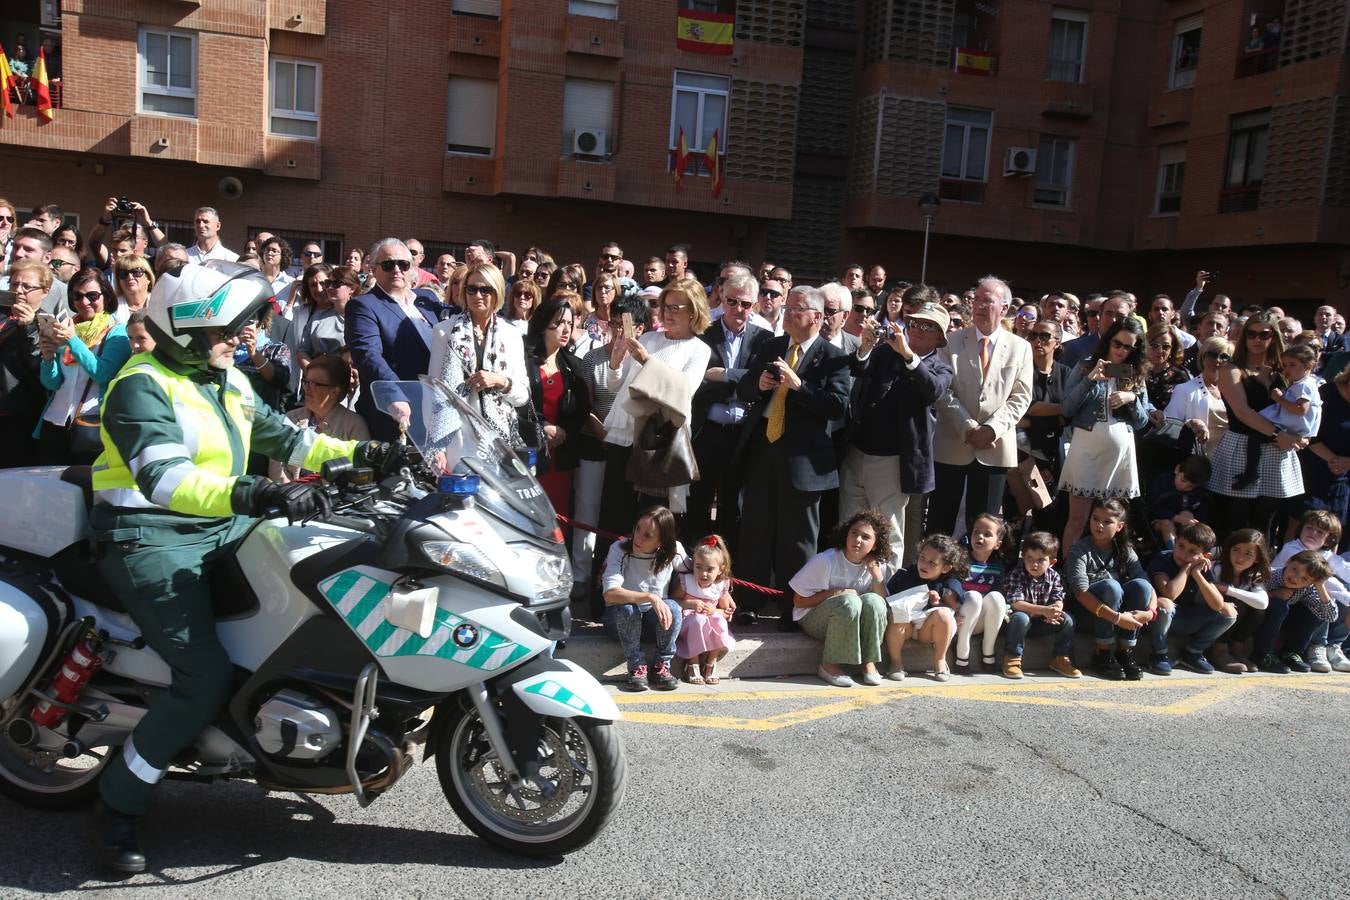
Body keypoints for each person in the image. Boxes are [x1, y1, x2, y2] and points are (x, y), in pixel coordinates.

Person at [88, 260, 414, 874]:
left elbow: (291, 440)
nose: (239, 339)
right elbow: (165, 478)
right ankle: (117, 805)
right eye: (227, 330)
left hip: (221, 524)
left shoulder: (225, 379)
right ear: (187, 331)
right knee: (202, 675)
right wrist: (255, 495)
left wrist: (369, 453)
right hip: (151, 538)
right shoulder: (140, 384)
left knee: (313, 584)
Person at [734, 285, 851, 616]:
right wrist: (758, 386)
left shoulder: (833, 357)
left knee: (798, 540)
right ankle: (749, 602)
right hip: (763, 451)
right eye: (787, 306)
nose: (787, 312)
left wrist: (799, 386)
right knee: (755, 530)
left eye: (796, 308)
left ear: (816, 316)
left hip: (804, 463)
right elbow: (743, 388)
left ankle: (792, 608)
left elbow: (837, 406)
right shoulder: (771, 346)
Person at [592, 277, 711, 585]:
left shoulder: (698, 349)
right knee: (612, 516)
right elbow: (620, 386)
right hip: (622, 433)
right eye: (664, 306)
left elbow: (684, 390)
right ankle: (603, 594)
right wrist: (617, 362)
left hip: (656, 441)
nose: (668, 313)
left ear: (694, 310)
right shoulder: (650, 339)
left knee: (648, 522)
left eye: (676, 307)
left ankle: (644, 592)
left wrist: (646, 361)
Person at [841, 296, 952, 567]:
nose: (916, 329)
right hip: (857, 450)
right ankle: (845, 585)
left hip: (892, 461)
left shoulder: (941, 366)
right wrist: (866, 346)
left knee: (887, 530)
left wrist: (909, 356)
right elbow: (859, 368)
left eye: (927, 327)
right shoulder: (885, 351)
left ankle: (883, 595)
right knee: (850, 526)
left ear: (939, 337)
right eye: (914, 322)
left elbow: (932, 390)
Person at [931, 276, 1033, 537]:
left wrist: (991, 429)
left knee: (983, 525)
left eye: (986, 301)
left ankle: (974, 577)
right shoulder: (950, 342)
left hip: (995, 446)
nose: (977, 306)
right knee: (940, 518)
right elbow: (943, 391)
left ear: (1005, 309)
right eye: (975, 300)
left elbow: (1021, 396)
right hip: (952, 442)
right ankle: (933, 575)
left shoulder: (1020, 348)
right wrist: (968, 428)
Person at [686, 271, 772, 550]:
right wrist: (743, 380)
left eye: (745, 304)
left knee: (732, 504)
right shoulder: (703, 334)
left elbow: (762, 383)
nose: (738, 309)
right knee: (697, 501)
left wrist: (723, 375)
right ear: (722, 299)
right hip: (707, 430)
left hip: (744, 434)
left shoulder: (765, 339)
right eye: (732, 302)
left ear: (754, 305)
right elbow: (696, 382)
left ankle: (726, 569)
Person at [1208, 313, 1307, 542]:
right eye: (1252, 333)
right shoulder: (1230, 369)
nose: (1257, 339)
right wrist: (1278, 434)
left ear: (1274, 336)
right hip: (1242, 446)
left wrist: (1304, 436)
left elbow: (1304, 403)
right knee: (1235, 521)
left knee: (1266, 524)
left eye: (1264, 334)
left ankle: (1261, 575)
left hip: (1276, 450)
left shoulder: (1285, 369)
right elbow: (1242, 412)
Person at [1057, 318, 1151, 553]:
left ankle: (1110, 570)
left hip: (1119, 457)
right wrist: (1090, 380)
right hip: (1086, 449)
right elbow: (1067, 408)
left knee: (1113, 523)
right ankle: (1070, 576)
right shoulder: (1086, 365)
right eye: (1118, 343)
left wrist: (1133, 400)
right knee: (1077, 519)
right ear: (1109, 340)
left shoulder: (1135, 372)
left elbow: (1142, 422)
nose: (1121, 350)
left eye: (1128, 347)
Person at [347, 238, 444, 441]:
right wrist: (394, 394)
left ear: (412, 267)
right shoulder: (363, 306)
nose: (397, 269)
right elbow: (368, 355)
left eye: (403, 264)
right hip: (395, 412)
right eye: (388, 264)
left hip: (437, 410)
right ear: (373, 269)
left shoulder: (428, 299)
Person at [36, 268, 132, 465]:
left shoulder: (117, 331)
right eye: (77, 296)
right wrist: (47, 358)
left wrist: (73, 340)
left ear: (106, 296)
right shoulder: (66, 327)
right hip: (55, 421)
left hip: (91, 425)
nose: (84, 302)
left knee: (84, 489)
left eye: (92, 295)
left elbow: (102, 373)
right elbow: (52, 384)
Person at [428, 262, 530, 447]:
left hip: (500, 441)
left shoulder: (512, 335)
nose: (477, 295)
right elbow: (434, 392)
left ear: (497, 292)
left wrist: (500, 381)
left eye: (485, 290)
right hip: (456, 438)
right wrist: (437, 447)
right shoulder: (443, 332)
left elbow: (523, 396)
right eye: (471, 289)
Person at [788, 509, 891, 687]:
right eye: (854, 533)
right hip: (813, 618)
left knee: (875, 601)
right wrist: (836, 592)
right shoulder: (826, 561)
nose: (858, 540)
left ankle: (868, 663)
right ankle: (829, 666)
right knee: (849, 601)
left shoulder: (878, 566)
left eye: (865, 537)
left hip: (852, 620)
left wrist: (876, 576)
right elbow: (799, 601)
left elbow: (882, 605)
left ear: (875, 545)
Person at [1065, 498, 1158, 680]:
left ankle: (1125, 651)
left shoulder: (1125, 550)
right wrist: (1117, 618)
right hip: (1087, 612)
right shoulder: (1079, 549)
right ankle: (1103, 652)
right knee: (1112, 586)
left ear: (1120, 526)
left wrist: (1150, 613)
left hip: (1117, 616)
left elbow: (1147, 584)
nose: (1099, 525)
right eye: (1095, 518)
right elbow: (1081, 592)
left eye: (1107, 522)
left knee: (1141, 586)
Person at [602, 506, 686, 692]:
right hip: (620, 620)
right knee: (628, 607)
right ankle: (636, 666)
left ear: (661, 541)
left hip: (654, 622)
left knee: (672, 606)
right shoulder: (619, 548)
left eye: (647, 535)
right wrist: (650, 597)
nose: (638, 538)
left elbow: (696, 572)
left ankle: (661, 666)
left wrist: (723, 591)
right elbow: (610, 593)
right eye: (637, 529)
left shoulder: (674, 549)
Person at [524, 294, 590, 515]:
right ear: (543, 325)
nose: (565, 329)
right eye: (559, 323)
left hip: (559, 455)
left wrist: (564, 431)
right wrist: (541, 427)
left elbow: (583, 410)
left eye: (569, 324)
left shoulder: (574, 365)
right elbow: (515, 404)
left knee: (557, 514)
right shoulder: (523, 360)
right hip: (528, 451)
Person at [1145, 522, 1237, 675]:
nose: (1183, 554)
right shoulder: (1163, 558)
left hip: (1186, 618)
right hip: (1159, 620)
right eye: (1181, 546)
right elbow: (1169, 593)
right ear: (1175, 542)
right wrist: (1187, 568)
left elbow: (1217, 605)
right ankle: (1158, 654)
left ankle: (1192, 653)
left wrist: (1198, 575)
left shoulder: (1202, 568)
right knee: (1165, 603)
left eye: (1192, 551)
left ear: (1205, 556)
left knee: (1228, 611)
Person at [269, 354, 370, 482]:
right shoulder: (291, 418)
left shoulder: (354, 425)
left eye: (315, 384)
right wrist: (293, 495)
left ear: (335, 392)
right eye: (306, 382)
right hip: (290, 497)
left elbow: (358, 475)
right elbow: (277, 467)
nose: (306, 388)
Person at [1236, 343, 1321, 490]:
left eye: (1292, 365)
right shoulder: (1301, 383)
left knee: (1255, 440)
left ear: (1308, 366)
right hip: (1292, 428)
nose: (1287, 369)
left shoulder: (1304, 385)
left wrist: (1280, 399)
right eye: (1285, 365)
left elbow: (1301, 410)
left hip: (1290, 428)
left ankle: (1251, 473)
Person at [883, 533, 964, 682]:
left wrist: (936, 602)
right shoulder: (906, 574)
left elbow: (953, 608)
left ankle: (940, 661)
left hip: (928, 630)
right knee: (896, 614)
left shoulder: (949, 582)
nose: (924, 565)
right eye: (922, 558)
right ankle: (895, 663)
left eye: (932, 563)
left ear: (945, 568)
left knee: (944, 614)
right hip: (905, 627)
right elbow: (887, 599)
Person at [1002, 532, 1080, 679]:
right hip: (1017, 624)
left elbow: (1058, 596)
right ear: (1023, 557)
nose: (1034, 564)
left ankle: (1060, 658)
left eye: (1040, 560)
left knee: (1068, 619)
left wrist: (1056, 610)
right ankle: (1012, 658)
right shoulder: (1017, 574)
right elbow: (1016, 603)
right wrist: (1045, 610)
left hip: (1041, 622)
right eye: (1029, 558)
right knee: (1020, 617)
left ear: (1052, 562)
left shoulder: (1054, 576)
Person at [1, 259, 55, 465]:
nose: (19, 291)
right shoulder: (4, 315)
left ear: (45, 291)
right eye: (14, 285)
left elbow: (40, 370)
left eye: (27, 286)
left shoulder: (48, 323)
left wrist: (29, 328)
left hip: (18, 416)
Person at [1253, 551, 1336, 673]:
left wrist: (1319, 586)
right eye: (1295, 569)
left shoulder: (1307, 588)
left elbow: (1330, 616)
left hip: (1284, 621)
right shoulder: (1268, 575)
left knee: (1317, 611)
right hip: (1257, 619)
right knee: (1280, 605)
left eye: (1304, 578)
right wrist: (1271, 595)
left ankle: (1290, 652)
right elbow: (1247, 593)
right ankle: (1262, 653)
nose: (1295, 578)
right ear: (1288, 561)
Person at [673, 534, 737, 684]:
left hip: (709, 623)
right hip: (688, 623)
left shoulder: (721, 586)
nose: (703, 573)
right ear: (693, 564)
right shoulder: (686, 582)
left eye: (710, 569)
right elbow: (673, 600)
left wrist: (714, 611)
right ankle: (692, 662)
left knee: (718, 620)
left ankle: (711, 662)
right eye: (699, 567)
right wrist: (690, 604)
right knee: (698, 619)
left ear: (720, 570)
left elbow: (726, 612)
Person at [955, 513, 1010, 675]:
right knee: (974, 596)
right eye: (976, 532)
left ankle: (988, 651)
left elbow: (997, 596)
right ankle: (962, 653)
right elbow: (952, 587)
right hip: (960, 618)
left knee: (997, 597)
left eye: (987, 534)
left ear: (997, 544)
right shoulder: (961, 560)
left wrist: (1005, 610)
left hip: (980, 623)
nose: (980, 537)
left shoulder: (998, 566)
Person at [1164, 335, 1232, 456]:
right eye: (1212, 355)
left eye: (1224, 357)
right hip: (1199, 463)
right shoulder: (1185, 390)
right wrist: (1191, 423)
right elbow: (1168, 426)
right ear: (1202, 358)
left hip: (1231, 462)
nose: (1217, 360)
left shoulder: (1236, 392)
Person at [1302, 367, 1350, 532]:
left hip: (1344, 478)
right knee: (1303, 523)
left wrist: (1347, 463)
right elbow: (1309, 432)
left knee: (1335, 529)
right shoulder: (1327, 393)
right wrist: (1334, 460)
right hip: (1313, 469)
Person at [1147, 456, 1213, 550]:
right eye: (1183, 480)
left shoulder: (1197, 493)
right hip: (1160, 520)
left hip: (1183, 522)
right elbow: (1154, 507)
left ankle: (1191, 550)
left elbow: (1201, 512)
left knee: (1187, 514)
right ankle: (1172, 552)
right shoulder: (1163, 482)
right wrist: (1176, 518)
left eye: (1190, 486)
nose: (1184, 487)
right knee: (1167, 523)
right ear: (1177, 469)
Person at [300, 265, 358, 365]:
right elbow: (303, 351)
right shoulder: (317, 317)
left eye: (336, 284)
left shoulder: (362, 316)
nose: (330, 287)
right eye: (328, 283)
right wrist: (312, 374)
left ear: (352, 288)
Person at [112, 253, 154, 324]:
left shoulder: (161, 303)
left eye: (136, 272)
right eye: (123, 274)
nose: (130, 277)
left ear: (148, 278)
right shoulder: (113, 309)